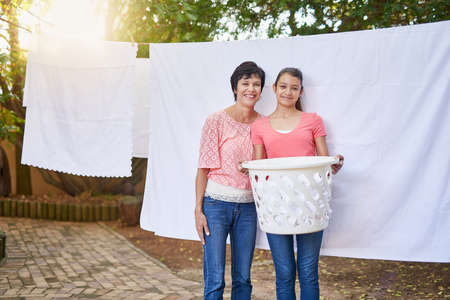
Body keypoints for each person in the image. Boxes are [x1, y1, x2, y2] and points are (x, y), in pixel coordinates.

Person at [250, 67, 344, 300]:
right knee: (284, 272)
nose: (288, 92)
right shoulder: (259, 126)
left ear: (301, 92)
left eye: (294, 88)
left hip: (310, 202)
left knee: (308, 272)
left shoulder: (313, 120)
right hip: (275, 204)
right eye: (283, 86)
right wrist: (246, 168)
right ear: (274, 89)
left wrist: (335, 164)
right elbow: (259, 166)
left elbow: (324, 161)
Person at [195, 61, 266, 299]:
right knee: (215, 280)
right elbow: (203, 168)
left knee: (243, 279)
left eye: (256, 84)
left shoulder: (265, 124)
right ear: (236, 87)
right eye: (245, 83)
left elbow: (269, 167)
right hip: (215, 205)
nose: (251, 88)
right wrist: (198, 210)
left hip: (248, 208)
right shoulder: (215, 120)